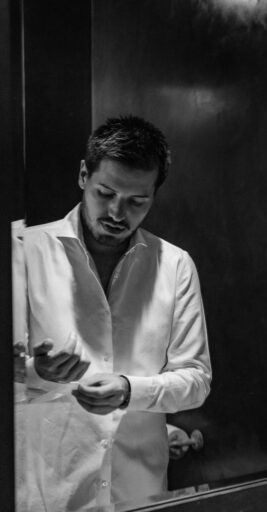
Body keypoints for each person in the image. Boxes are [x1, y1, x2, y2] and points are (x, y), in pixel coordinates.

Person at [15, 115, 212, 511]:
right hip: (49, 495)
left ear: (154, 194)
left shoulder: (175, 265)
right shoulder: (22, 250)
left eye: (137, 201)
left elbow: (196, 379)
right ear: (84, 175)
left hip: (140, 494)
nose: (118, 213)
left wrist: (128, 390)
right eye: (106, 193)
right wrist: (37, 371)